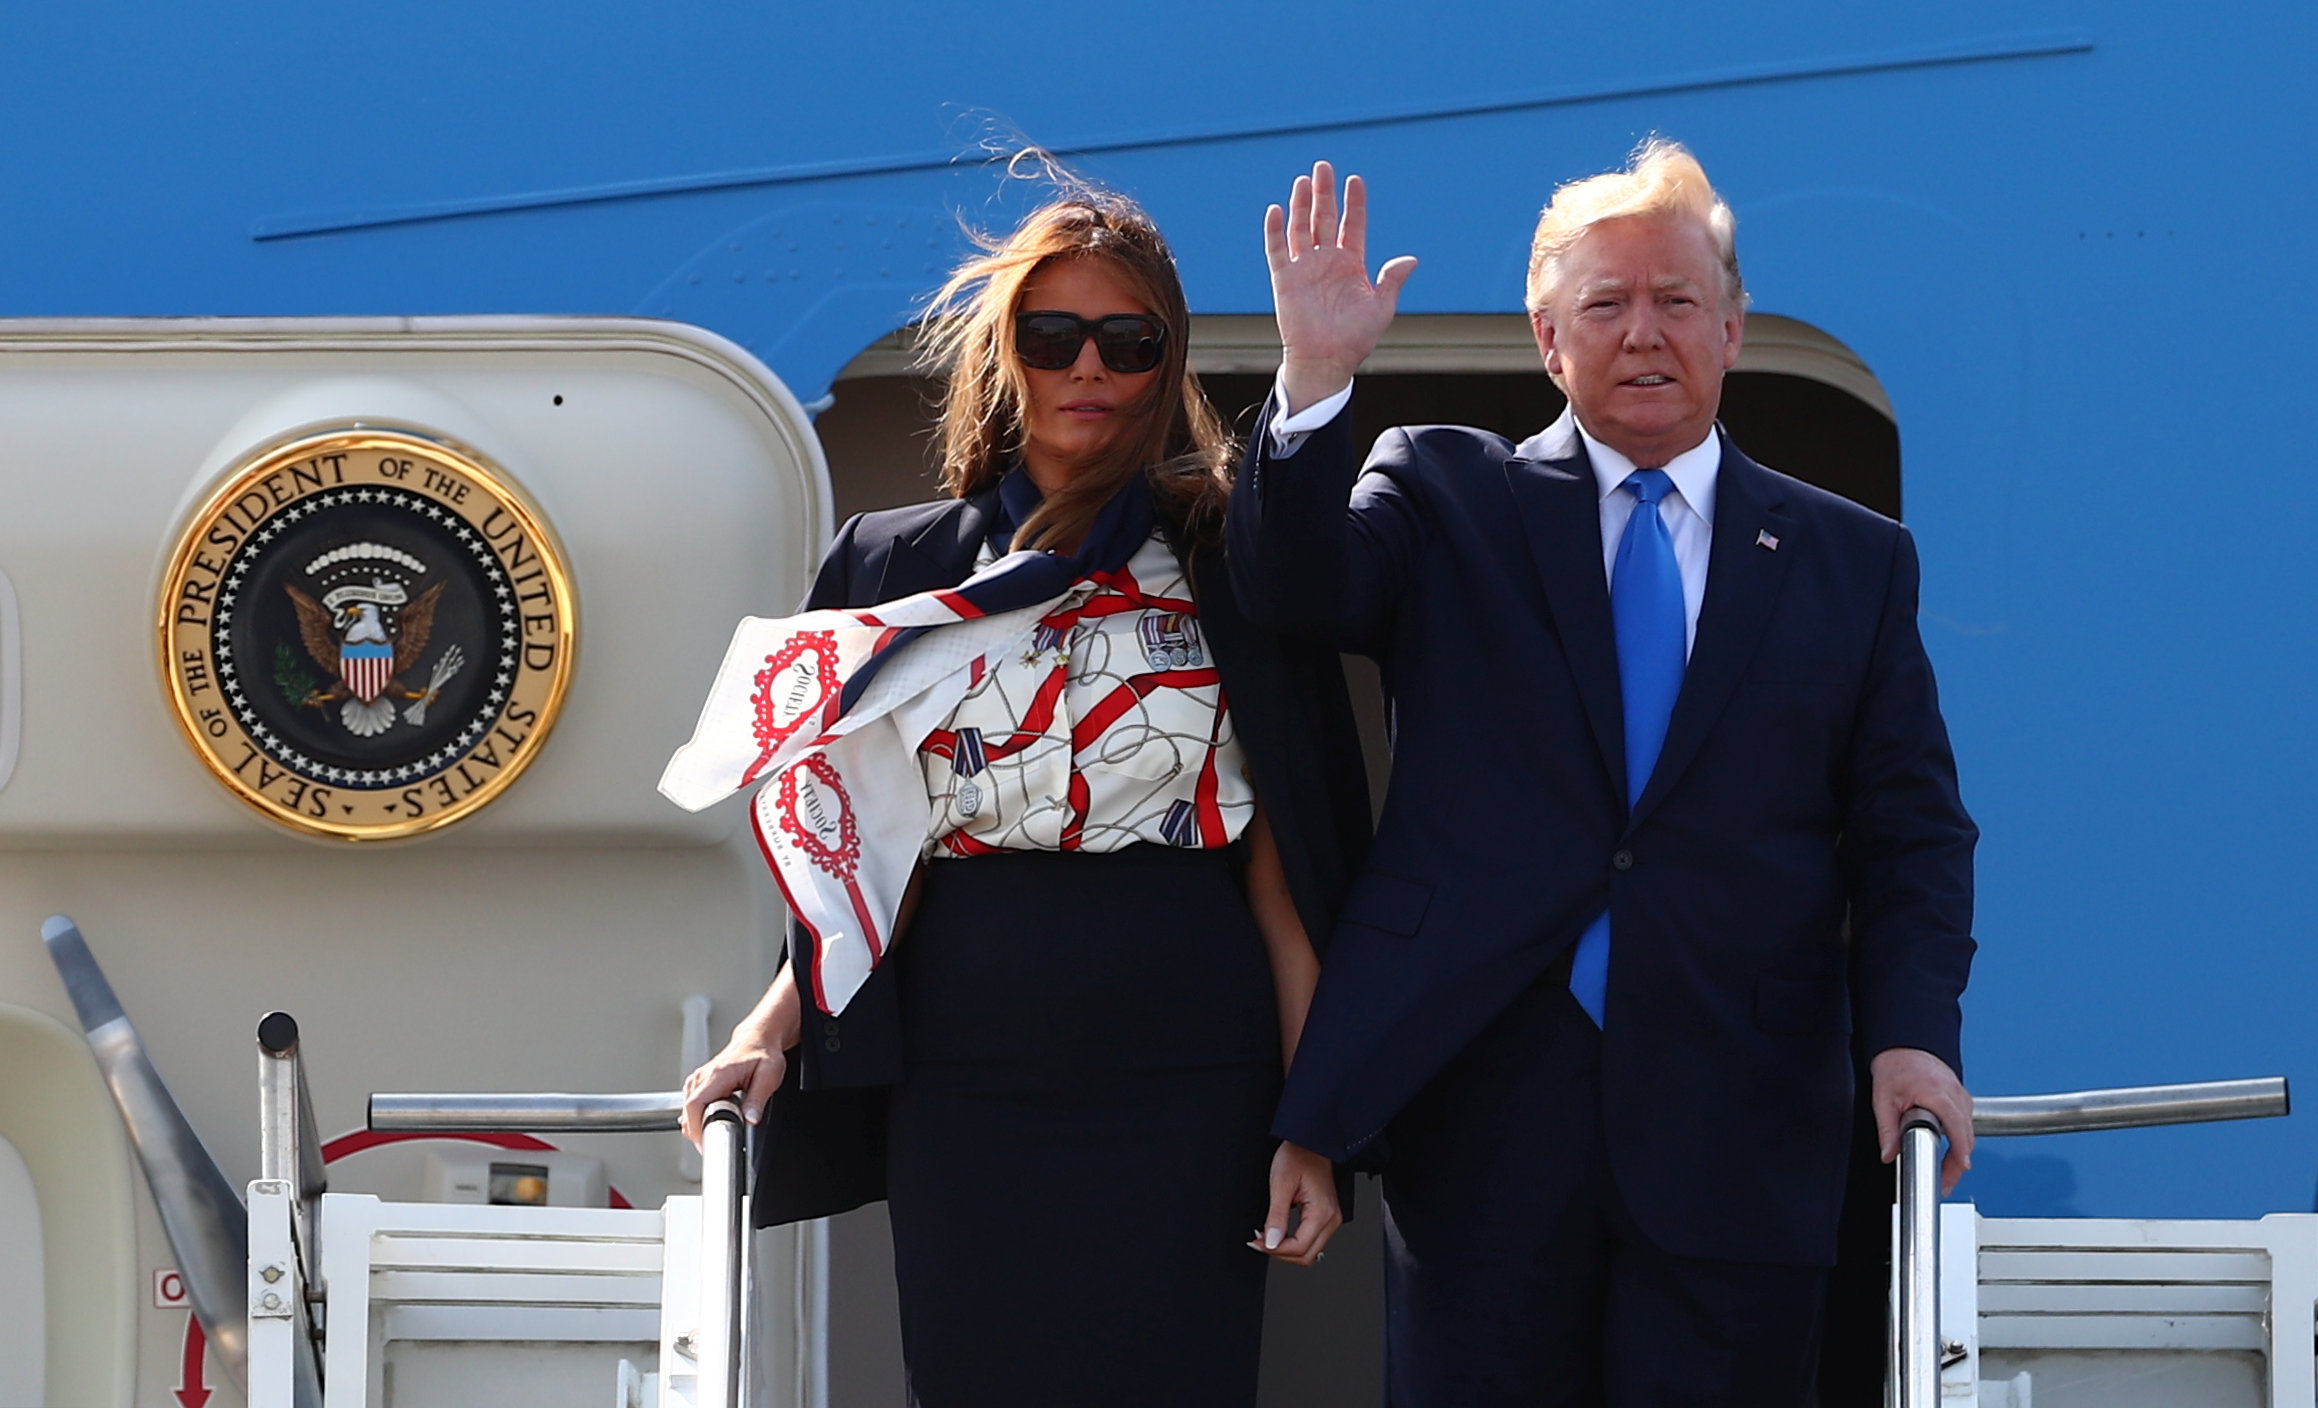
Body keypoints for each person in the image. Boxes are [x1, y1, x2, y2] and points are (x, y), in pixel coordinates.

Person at [1228, 141, 1979, 1405]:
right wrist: (1314, 375)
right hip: (1481, 1118)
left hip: (1739, 1123)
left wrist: (1911, 1036)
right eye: (1605, 305)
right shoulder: (1441, 489)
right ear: (1545, 337)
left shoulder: (1852, 561)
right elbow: (1297, 587)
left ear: (1733, 328)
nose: (1644, 333)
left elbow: (1909, 832)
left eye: (1676, 301)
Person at [664, 185, 1372, 1408]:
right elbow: (866, 850)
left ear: (1165, 362)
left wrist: (1314, 1123)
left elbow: (1278, 874)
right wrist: (763, 1029)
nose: (1086, 366)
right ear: (1008, 354)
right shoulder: (899, 566)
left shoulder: (1223, 559)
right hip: (969, 1074)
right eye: (1051, 336)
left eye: (1126, 339)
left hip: (1191, 1077)